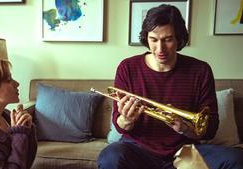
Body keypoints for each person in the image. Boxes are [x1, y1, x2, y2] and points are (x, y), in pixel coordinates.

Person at [97, 4, 243, 169]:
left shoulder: (200, 70)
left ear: (179, 38)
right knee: (110, 156)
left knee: (236, 158)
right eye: (153, 40)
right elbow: (120, 126)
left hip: (185, 153)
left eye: (168, 39)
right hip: (138, 150)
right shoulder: (128, 67)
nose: (160, 49)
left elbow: (210, 129)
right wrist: (126, 119)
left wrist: (185, 128)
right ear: (146, 37)